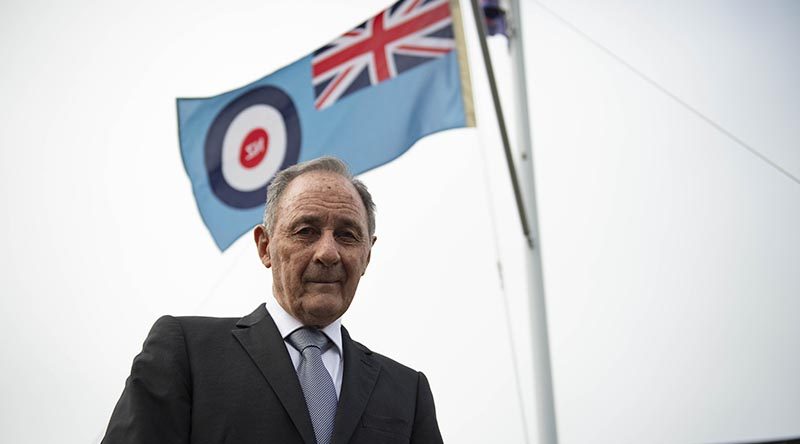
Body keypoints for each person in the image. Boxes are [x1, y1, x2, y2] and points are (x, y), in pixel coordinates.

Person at [101, 157, 443, 443]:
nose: (328, 252)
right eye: (305, 231)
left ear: (367, 255)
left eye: (347, 235)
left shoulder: (407, 392)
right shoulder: (187, 353)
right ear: (265, 246)